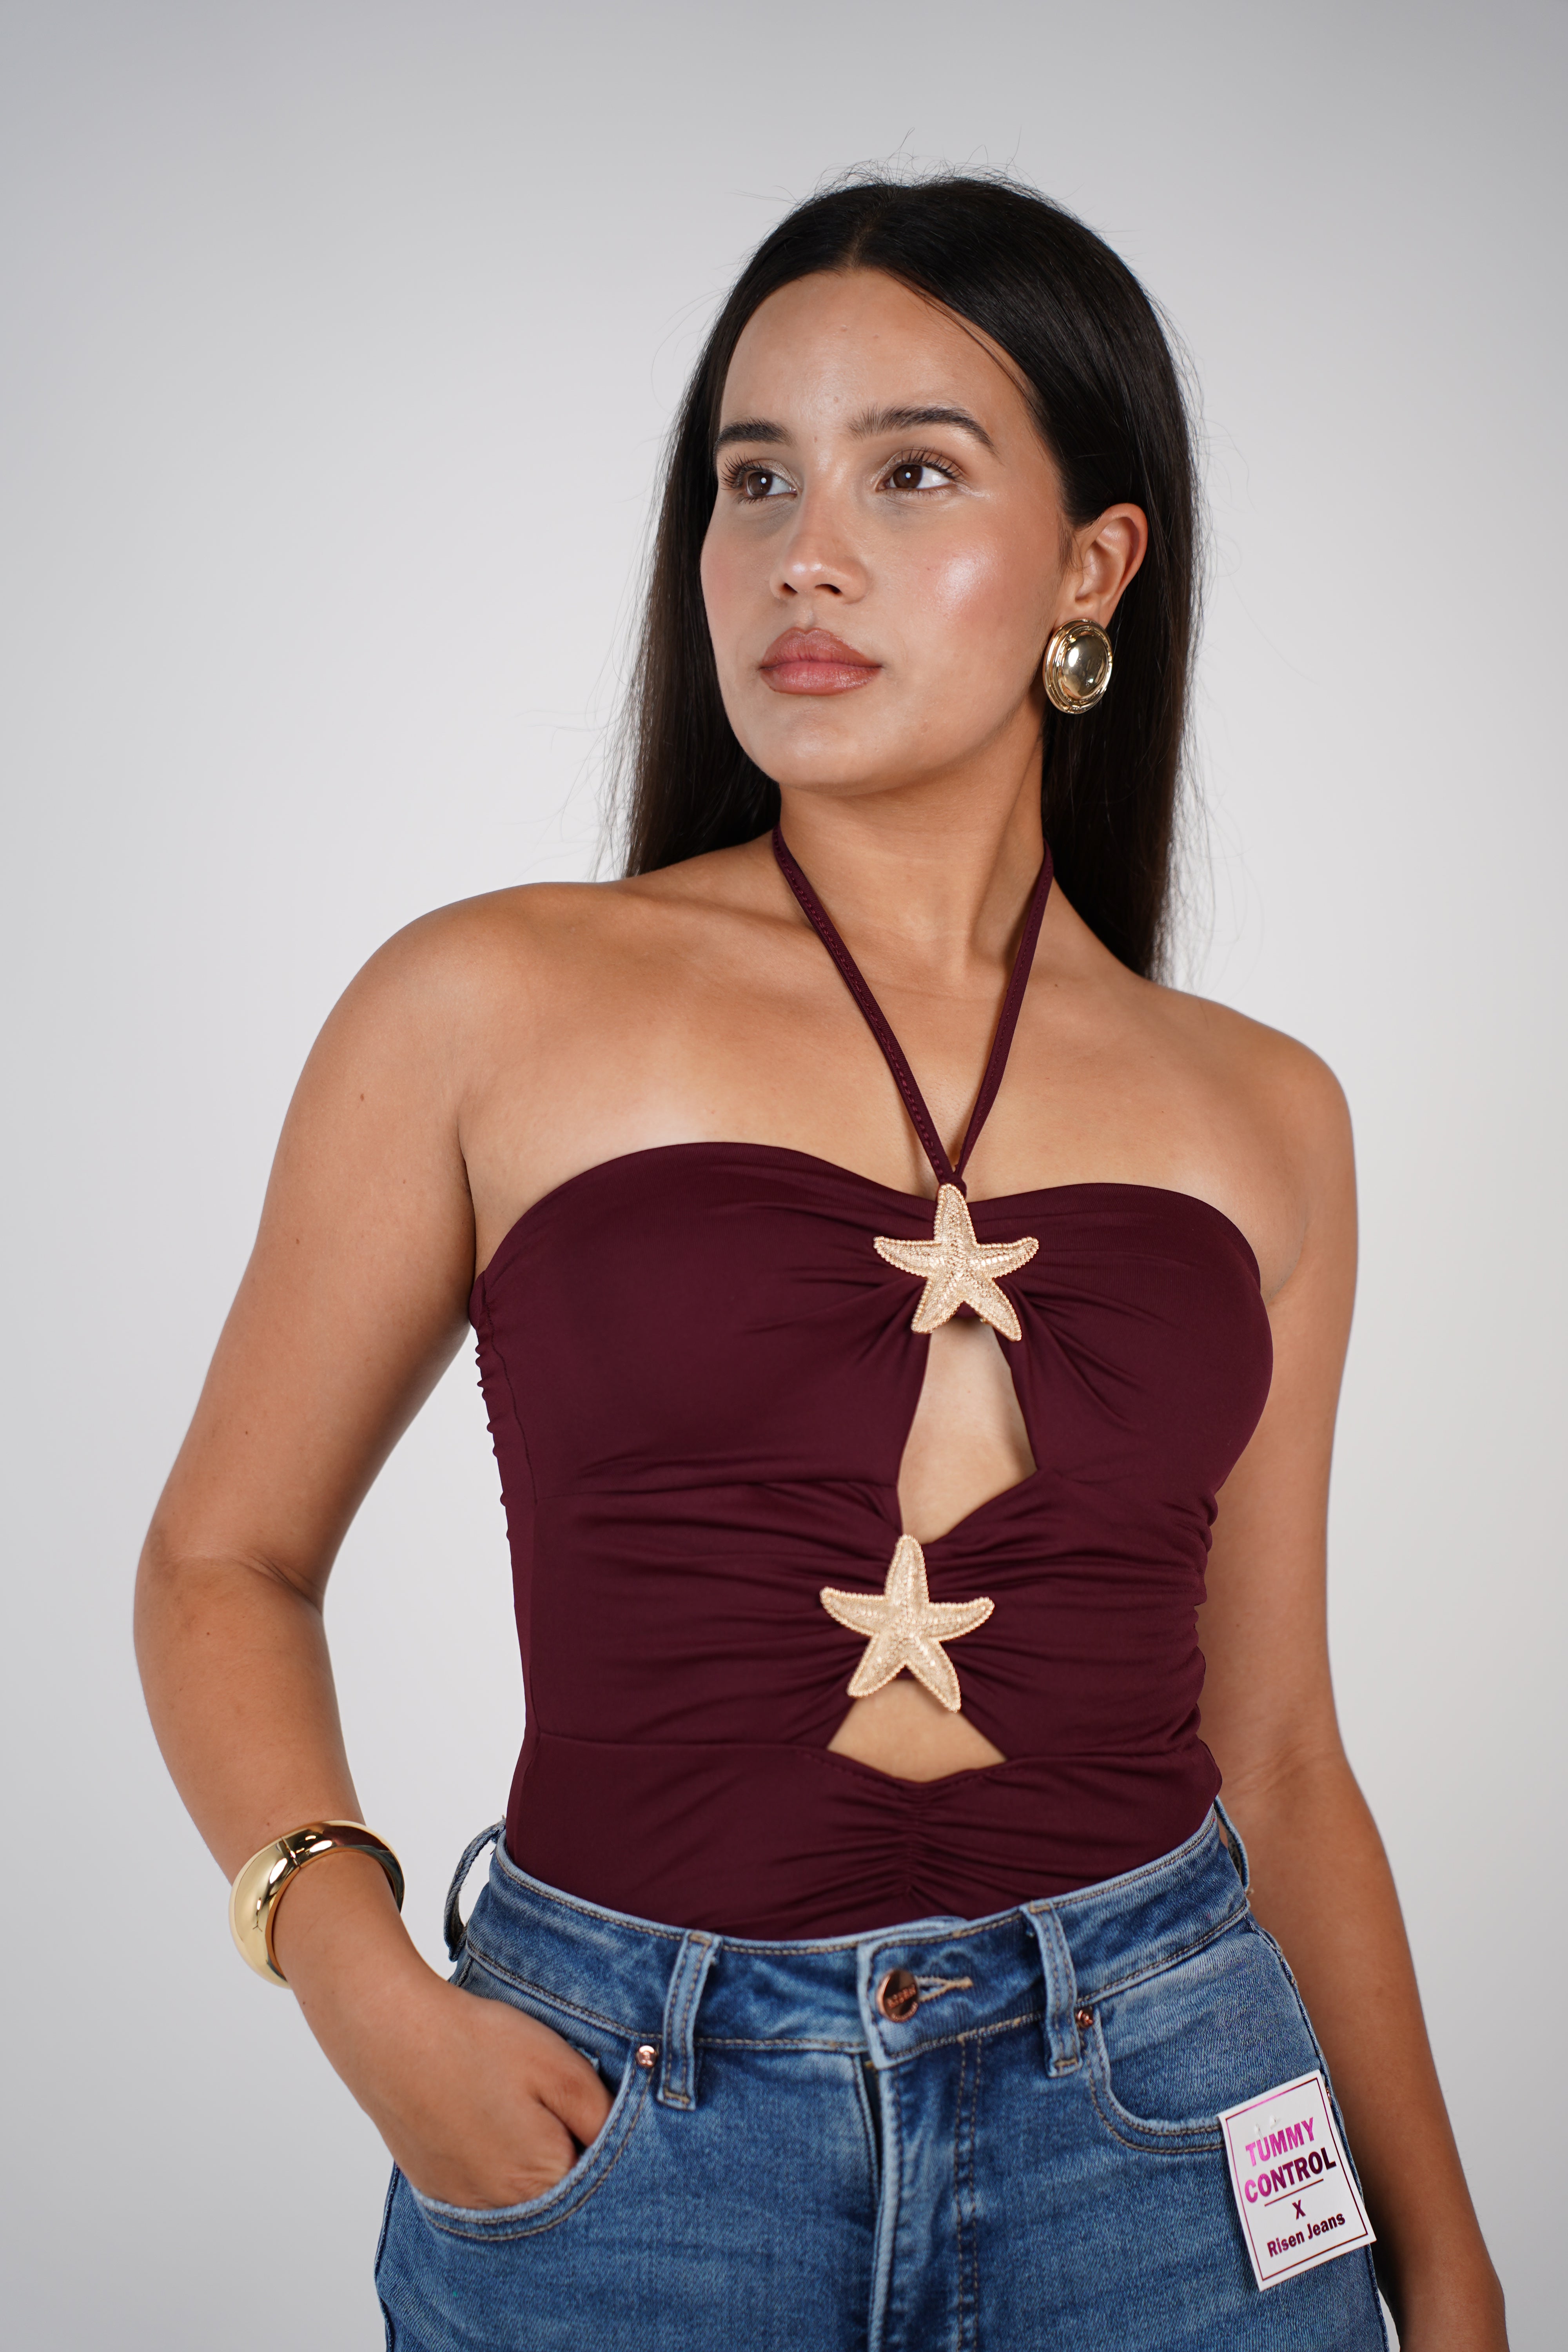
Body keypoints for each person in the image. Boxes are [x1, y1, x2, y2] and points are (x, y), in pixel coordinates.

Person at [135, 172, 1506, 2350]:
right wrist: (360, 1983)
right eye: (753, 477)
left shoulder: (1267, 1111)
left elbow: (1280, 1752)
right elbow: (226, 1558)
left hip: (1167, 2130)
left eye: (912, 473)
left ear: (1094, 568)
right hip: (624, 2137)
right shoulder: (481, 1004)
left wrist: (1446, 2264)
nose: (807, 552)